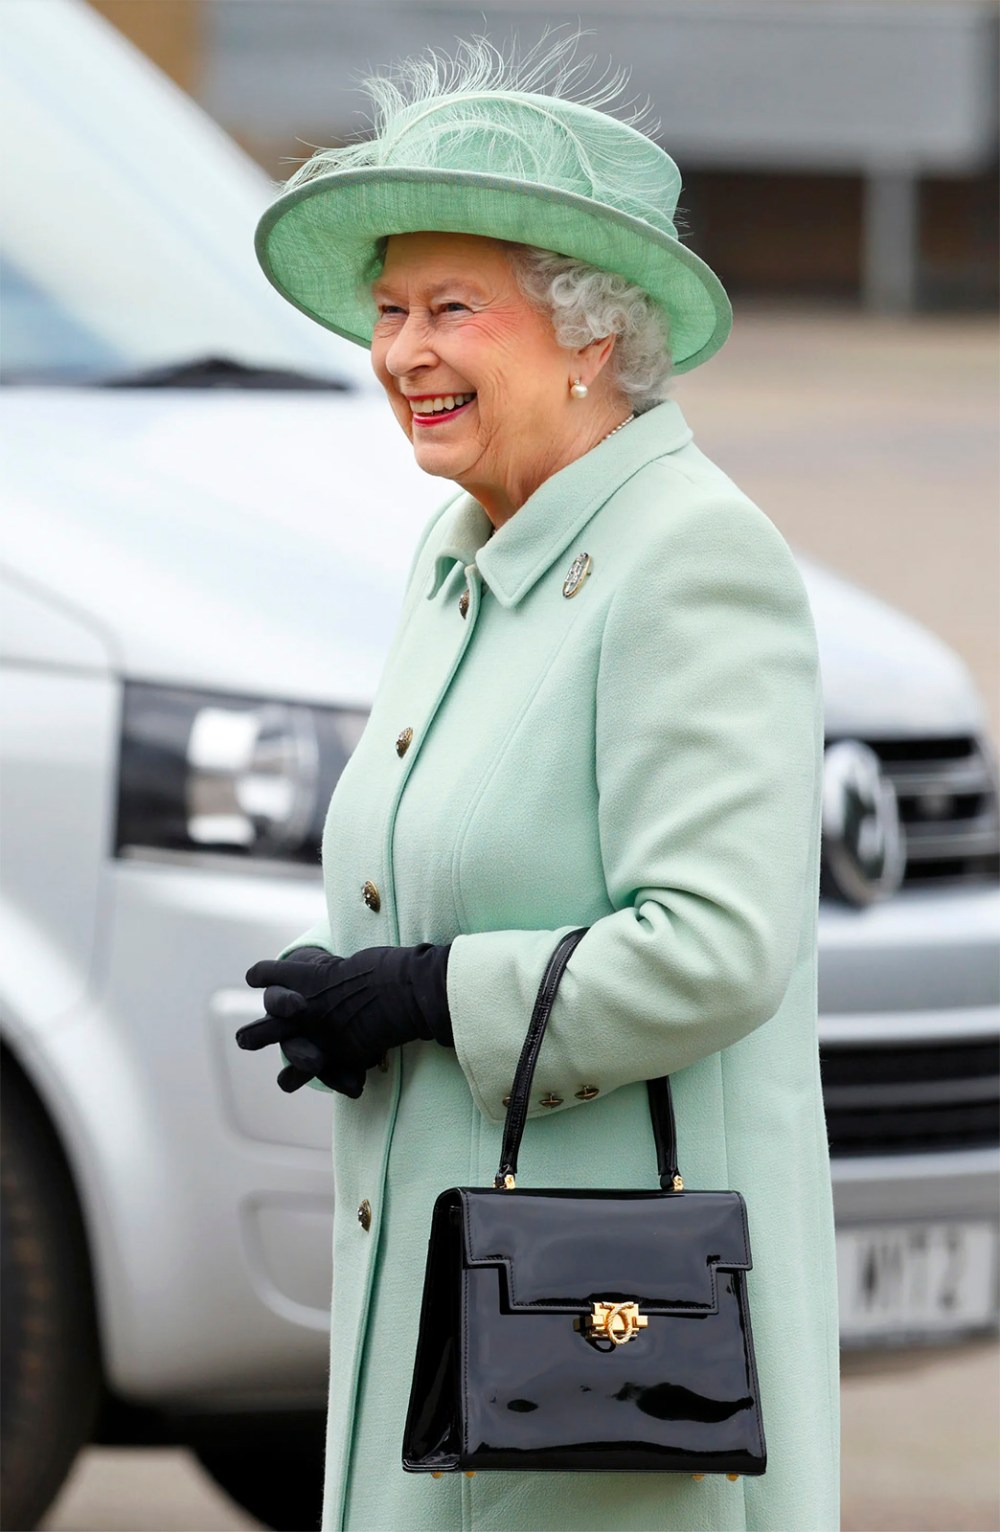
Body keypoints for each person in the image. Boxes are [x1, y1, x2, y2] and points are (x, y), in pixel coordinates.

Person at [236, 37, 840, 1532]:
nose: (401, 354)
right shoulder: (460, 562)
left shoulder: (690, 555)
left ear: (589, 332)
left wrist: (433, 995)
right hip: (454, 1340)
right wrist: (357, 997)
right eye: (388, 311)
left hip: (610, 1362)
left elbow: (718, 943)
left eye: (451, 309)